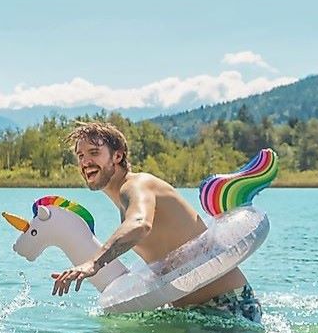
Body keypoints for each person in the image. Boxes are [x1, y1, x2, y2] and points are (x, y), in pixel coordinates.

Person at [49, 121, 262, 322]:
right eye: (80, 155)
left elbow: (140, 224)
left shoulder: (137, 185)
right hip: (194, 312)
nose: (85, 162)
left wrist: (93, 264)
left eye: (94, 153)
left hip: (227, 307)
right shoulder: (125, 200)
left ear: (117, 156)